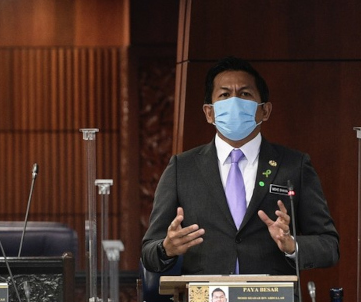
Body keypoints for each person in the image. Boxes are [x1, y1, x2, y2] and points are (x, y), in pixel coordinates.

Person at [141, 56, 339, 276]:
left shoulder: (294, 165)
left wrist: (292, 246)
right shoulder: (182, 168)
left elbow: (329, 246)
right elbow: (149, 252)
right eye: (224, 94)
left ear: (265, 110)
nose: (234, 101)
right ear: (209, 112)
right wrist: (167, 249)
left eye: (245, 94)